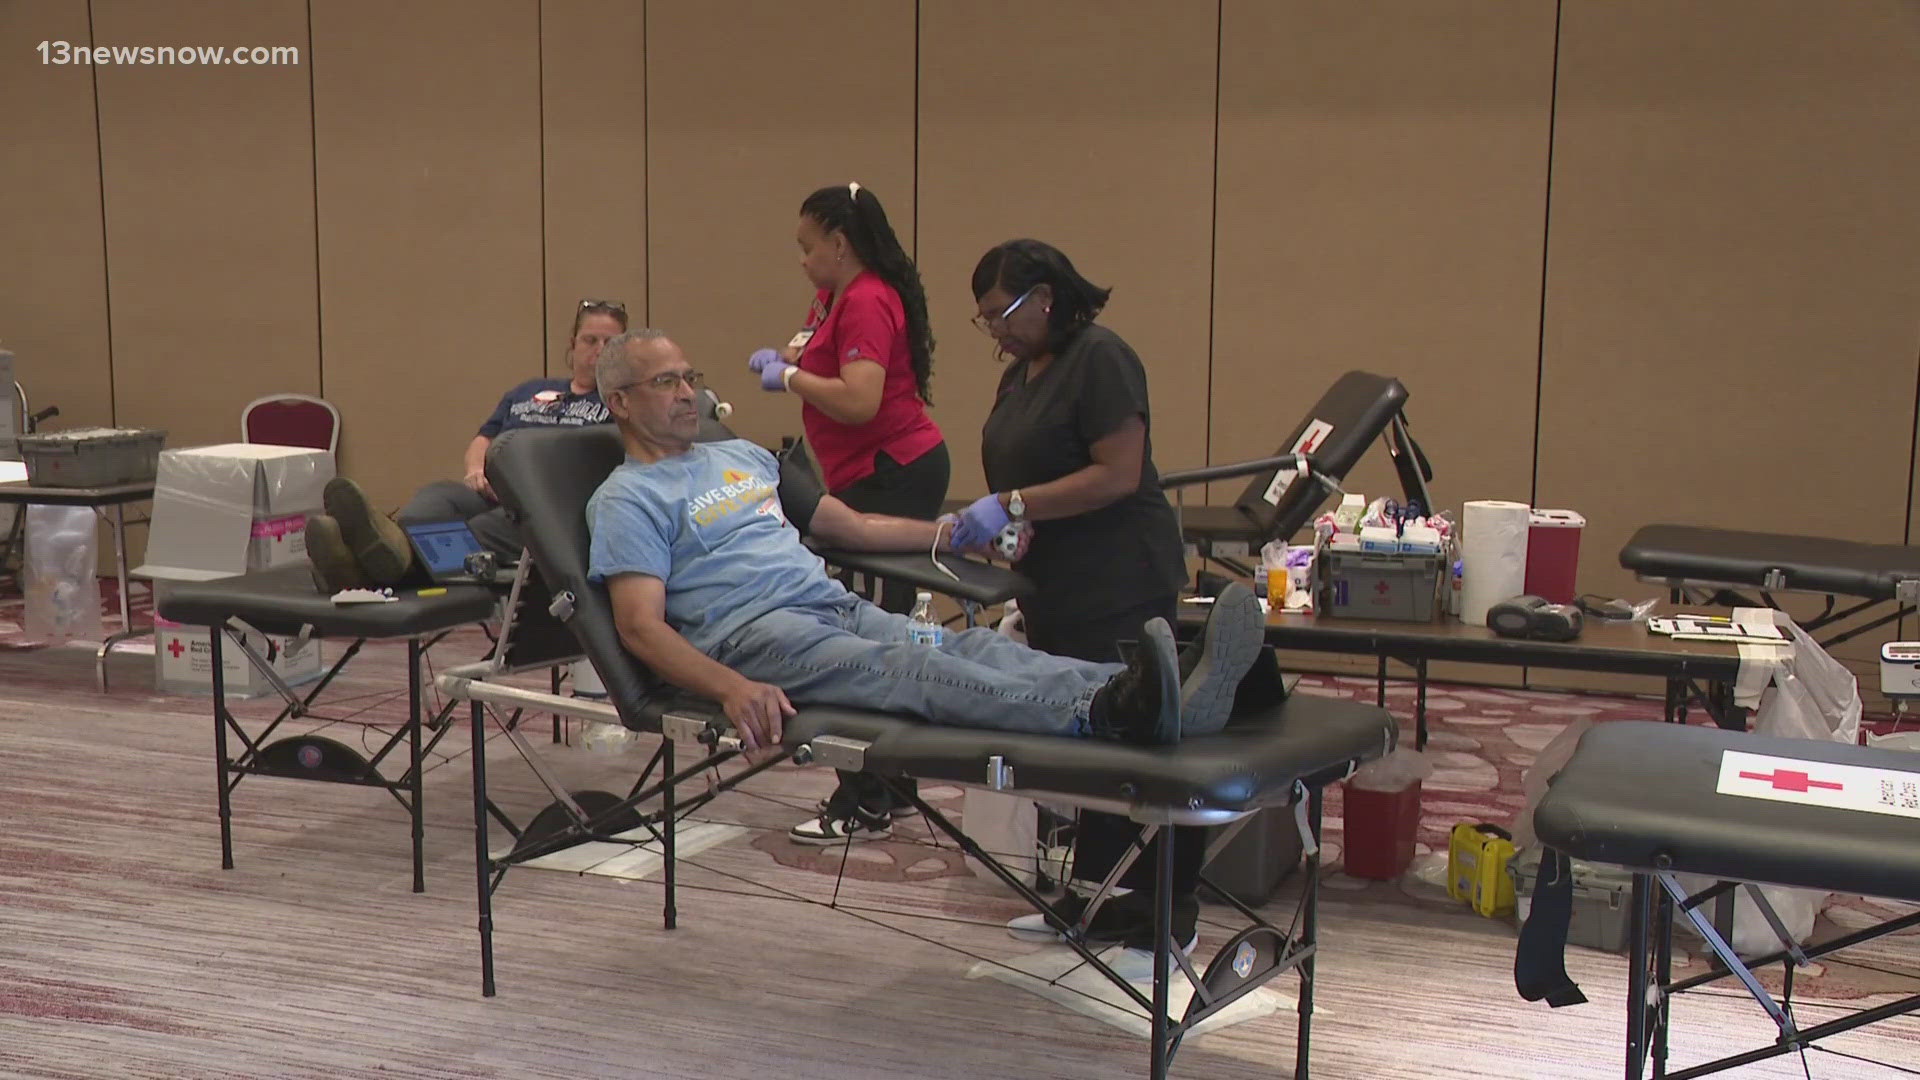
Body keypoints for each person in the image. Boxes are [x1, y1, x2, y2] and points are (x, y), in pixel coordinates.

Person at [585, 328, 1262, 760]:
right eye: (665, 382)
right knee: (919, 674)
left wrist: (953, 535)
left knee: (974, 646)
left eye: (689, 377)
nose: (687, 394)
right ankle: (1110, 711)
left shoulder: (744, 458)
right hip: (762, 638)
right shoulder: (628, 498)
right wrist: (732, 688)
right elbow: (640, 628)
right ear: (619, 402)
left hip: (835, 608)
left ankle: (1157, 691)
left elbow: (846, 526)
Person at [947, 239, 1212, 965]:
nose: (994, 331)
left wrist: (1016, 502)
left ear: (1047, 298)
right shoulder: (1022, 375)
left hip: (1121, 575)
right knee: (1084, 742)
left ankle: (1164, 910)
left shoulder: (1102, 357)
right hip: (1055, 582)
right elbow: (1024, 476)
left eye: (1002, 313)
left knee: (1140, 740)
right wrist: (1013, 527)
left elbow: (1118, 473)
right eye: (984, 320)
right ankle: (1094, 896)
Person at [748, 183, 950, 841]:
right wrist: (795, 360)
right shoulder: (836, 295)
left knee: (868, 640)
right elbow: (820, 356)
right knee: (868, 630)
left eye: (809, 248)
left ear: (840, 243)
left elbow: (860, 401)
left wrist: (792, 378)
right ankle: (883, 790)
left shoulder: (867, 299)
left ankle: (871, 796)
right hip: (868, 472)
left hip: (892, 474)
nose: (802, 261)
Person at [306, 299, 626, 591]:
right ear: (573, 344)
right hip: (490, 490)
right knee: (434, 501)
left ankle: (358, 568)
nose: (598, 350)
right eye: (590, 340)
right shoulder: (530, 390)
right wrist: (476, 470)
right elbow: (484, 438)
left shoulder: (621, 405)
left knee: (477, 530)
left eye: (609, 343)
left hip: (542, 511)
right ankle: (377, 558)